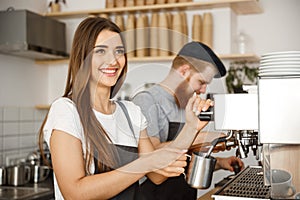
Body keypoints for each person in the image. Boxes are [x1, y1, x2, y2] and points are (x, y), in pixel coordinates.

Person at [38, 17, 216, 200]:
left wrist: (191, 127)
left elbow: (157, 175)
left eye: (119, 51)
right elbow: (75, 193)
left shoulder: (131, 113)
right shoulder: (66, 110)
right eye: (100, 51)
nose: (113, 60)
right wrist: (144, 164)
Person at [132, 41, 244, 200]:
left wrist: (220, 163)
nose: (203, 90)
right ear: (184, 71)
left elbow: (186, 158)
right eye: (202, 82)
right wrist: (201, 137)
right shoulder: (146, 101)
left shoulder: (185, 104)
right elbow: (153, 158)